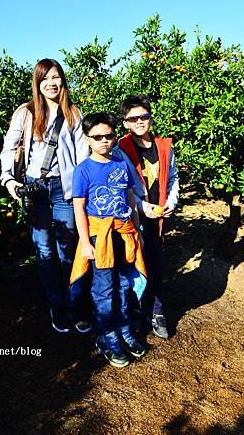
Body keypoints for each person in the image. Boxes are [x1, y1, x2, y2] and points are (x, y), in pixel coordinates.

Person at [0, 58, 90, 334]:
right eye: (45, 79)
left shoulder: (73, 113)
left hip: (64, 190)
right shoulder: (26, 113)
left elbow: (83, 155)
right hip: (34, 188)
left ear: (63, 80)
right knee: (45, 249)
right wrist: (9, 180)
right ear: (37, 83)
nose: (51, 83)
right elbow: (9, 148)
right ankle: (57, 306)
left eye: (56, 77)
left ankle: (76, 305)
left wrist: (82, 191)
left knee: (68, 248)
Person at [70, 112, 148, 368]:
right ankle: (106, 336)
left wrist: (137, 232)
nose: (104, 141)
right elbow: (79, 209)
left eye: (109, 136)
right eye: (98, 137)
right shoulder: (83, 170)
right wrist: (85, 243)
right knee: (103, 289)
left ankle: (124, 330)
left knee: (124, 284)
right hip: (99, 236)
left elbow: (129, 200)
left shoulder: (120, 164)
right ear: (88, 139)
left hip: (123, 233)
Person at [113, 94, 179, 339]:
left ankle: (157, 311)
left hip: (159, 219)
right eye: (133, 118)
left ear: (150, 118)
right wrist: (141, 207)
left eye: (144, 116)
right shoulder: (121, 150)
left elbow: (173, 179)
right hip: (134, 219)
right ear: (125, 123)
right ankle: (136, 311)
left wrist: (171, 202)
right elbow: (121, 188)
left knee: (156, 264)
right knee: (134, 265)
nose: (140, 121)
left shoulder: (164, 147)